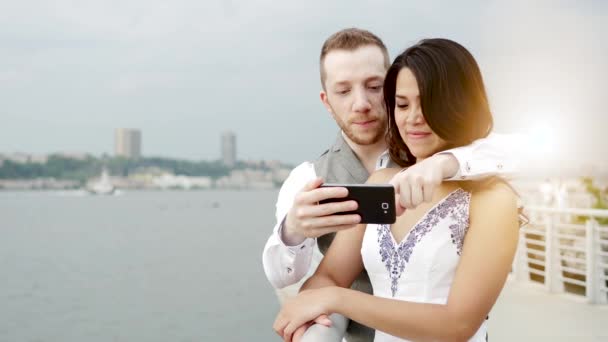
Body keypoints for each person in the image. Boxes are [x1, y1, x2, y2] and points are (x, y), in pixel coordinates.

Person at [262, 29, 517, 342]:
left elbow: (457, 325)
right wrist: (307, 313)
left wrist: (336, 299)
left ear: (460, 105)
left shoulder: (492, 199)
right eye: (402, 104)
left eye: (429, 103)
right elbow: (329, 275)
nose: (413, 119)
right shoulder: (382, 183)